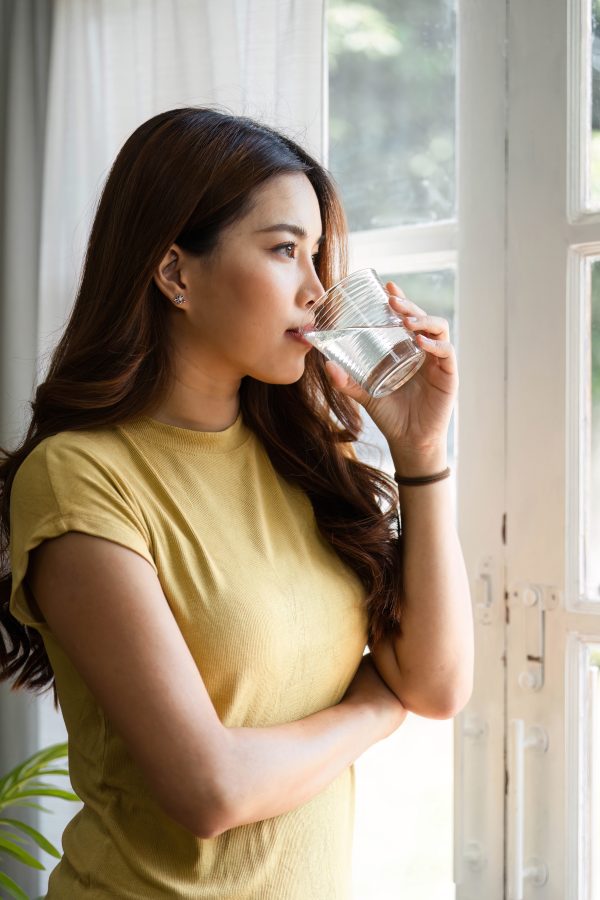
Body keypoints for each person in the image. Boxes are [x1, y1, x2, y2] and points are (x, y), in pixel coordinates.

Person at [0, 107, 473, 899]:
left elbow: (435, 684)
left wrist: (422, 455)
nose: (319, 293)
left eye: (318, 255)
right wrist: (370, 710)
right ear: (175, 272)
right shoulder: (80, 477)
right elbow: (209, 790)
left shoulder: (304, 456)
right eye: (286, 250)